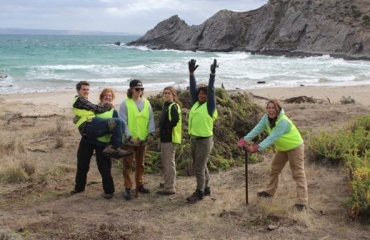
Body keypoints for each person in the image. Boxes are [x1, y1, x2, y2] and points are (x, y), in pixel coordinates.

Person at [237, 99, 308, 211]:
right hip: (282, 148)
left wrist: (256, 148)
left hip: (295, 147)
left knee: (298, 173)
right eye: (269, 108)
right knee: (275, 168)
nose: (271, 110)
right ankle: (270, 191)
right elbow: (257, 130)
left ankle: (302, 202)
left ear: (278, 109)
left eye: (273, 108)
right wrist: (244, 140)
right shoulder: (266, 118)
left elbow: (272, 137)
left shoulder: (283, 121)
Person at [71, 88, 122, 199]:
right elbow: (82, 120)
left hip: (102, 143)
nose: (108, 97)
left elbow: (117, 129)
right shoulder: (94, 108)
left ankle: (109, 191)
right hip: (87, 140)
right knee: (82, 165)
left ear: (112, 98)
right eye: (105, 95)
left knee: (104, 167)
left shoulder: (113, 112)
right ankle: (79, 187)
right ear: (101, 97)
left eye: (110, 96)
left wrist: (113, 144)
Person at [186, 59, 218, 203]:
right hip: (194, 139)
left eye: (204, 94)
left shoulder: (209, 106)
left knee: (199, 168)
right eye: (200, 93)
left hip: (204, 140)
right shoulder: (196, 104)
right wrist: (191, 74)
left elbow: (211, 91)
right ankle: (206, 188)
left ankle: (199, 192)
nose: (201, 95)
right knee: (201, 165)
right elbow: (193, 91)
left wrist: (212, 74)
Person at [72, 81, 131, 158]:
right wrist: (108, 106)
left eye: (87, 90)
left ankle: (116, 146)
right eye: (84, 89)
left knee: (120, 122)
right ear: (78, 90)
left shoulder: (83, 102)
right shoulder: (80, 100)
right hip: (89, 129)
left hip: (99, 137)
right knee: (119, 122)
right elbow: (96, 109)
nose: (86, 91)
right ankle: (116, 148)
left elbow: (80, 115)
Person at [118, 79, 156, 200]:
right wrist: (129, 137)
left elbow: (150, 119)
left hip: (143, 139)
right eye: (137, 89)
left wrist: (151, 134)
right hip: (130, 141)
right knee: (127, 164)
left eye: (141, 89)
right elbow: (123, 122)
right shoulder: (125, 104)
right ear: (131, 90)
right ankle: (128, 188)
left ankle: (140, 184)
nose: (139, 91)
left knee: (141, 164)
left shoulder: (147, 103)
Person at [156, 86, 182, 196]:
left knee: (169, 162)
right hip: (165, 138)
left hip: (170, 138)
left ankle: (170, 187)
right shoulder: (166, 106)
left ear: (173, 95)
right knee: (166, 161)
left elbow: (176, 119)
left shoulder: (173, 106)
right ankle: (168, 182)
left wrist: (167, 128)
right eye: (165, 93)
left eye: (169, 93)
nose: (166, 95)